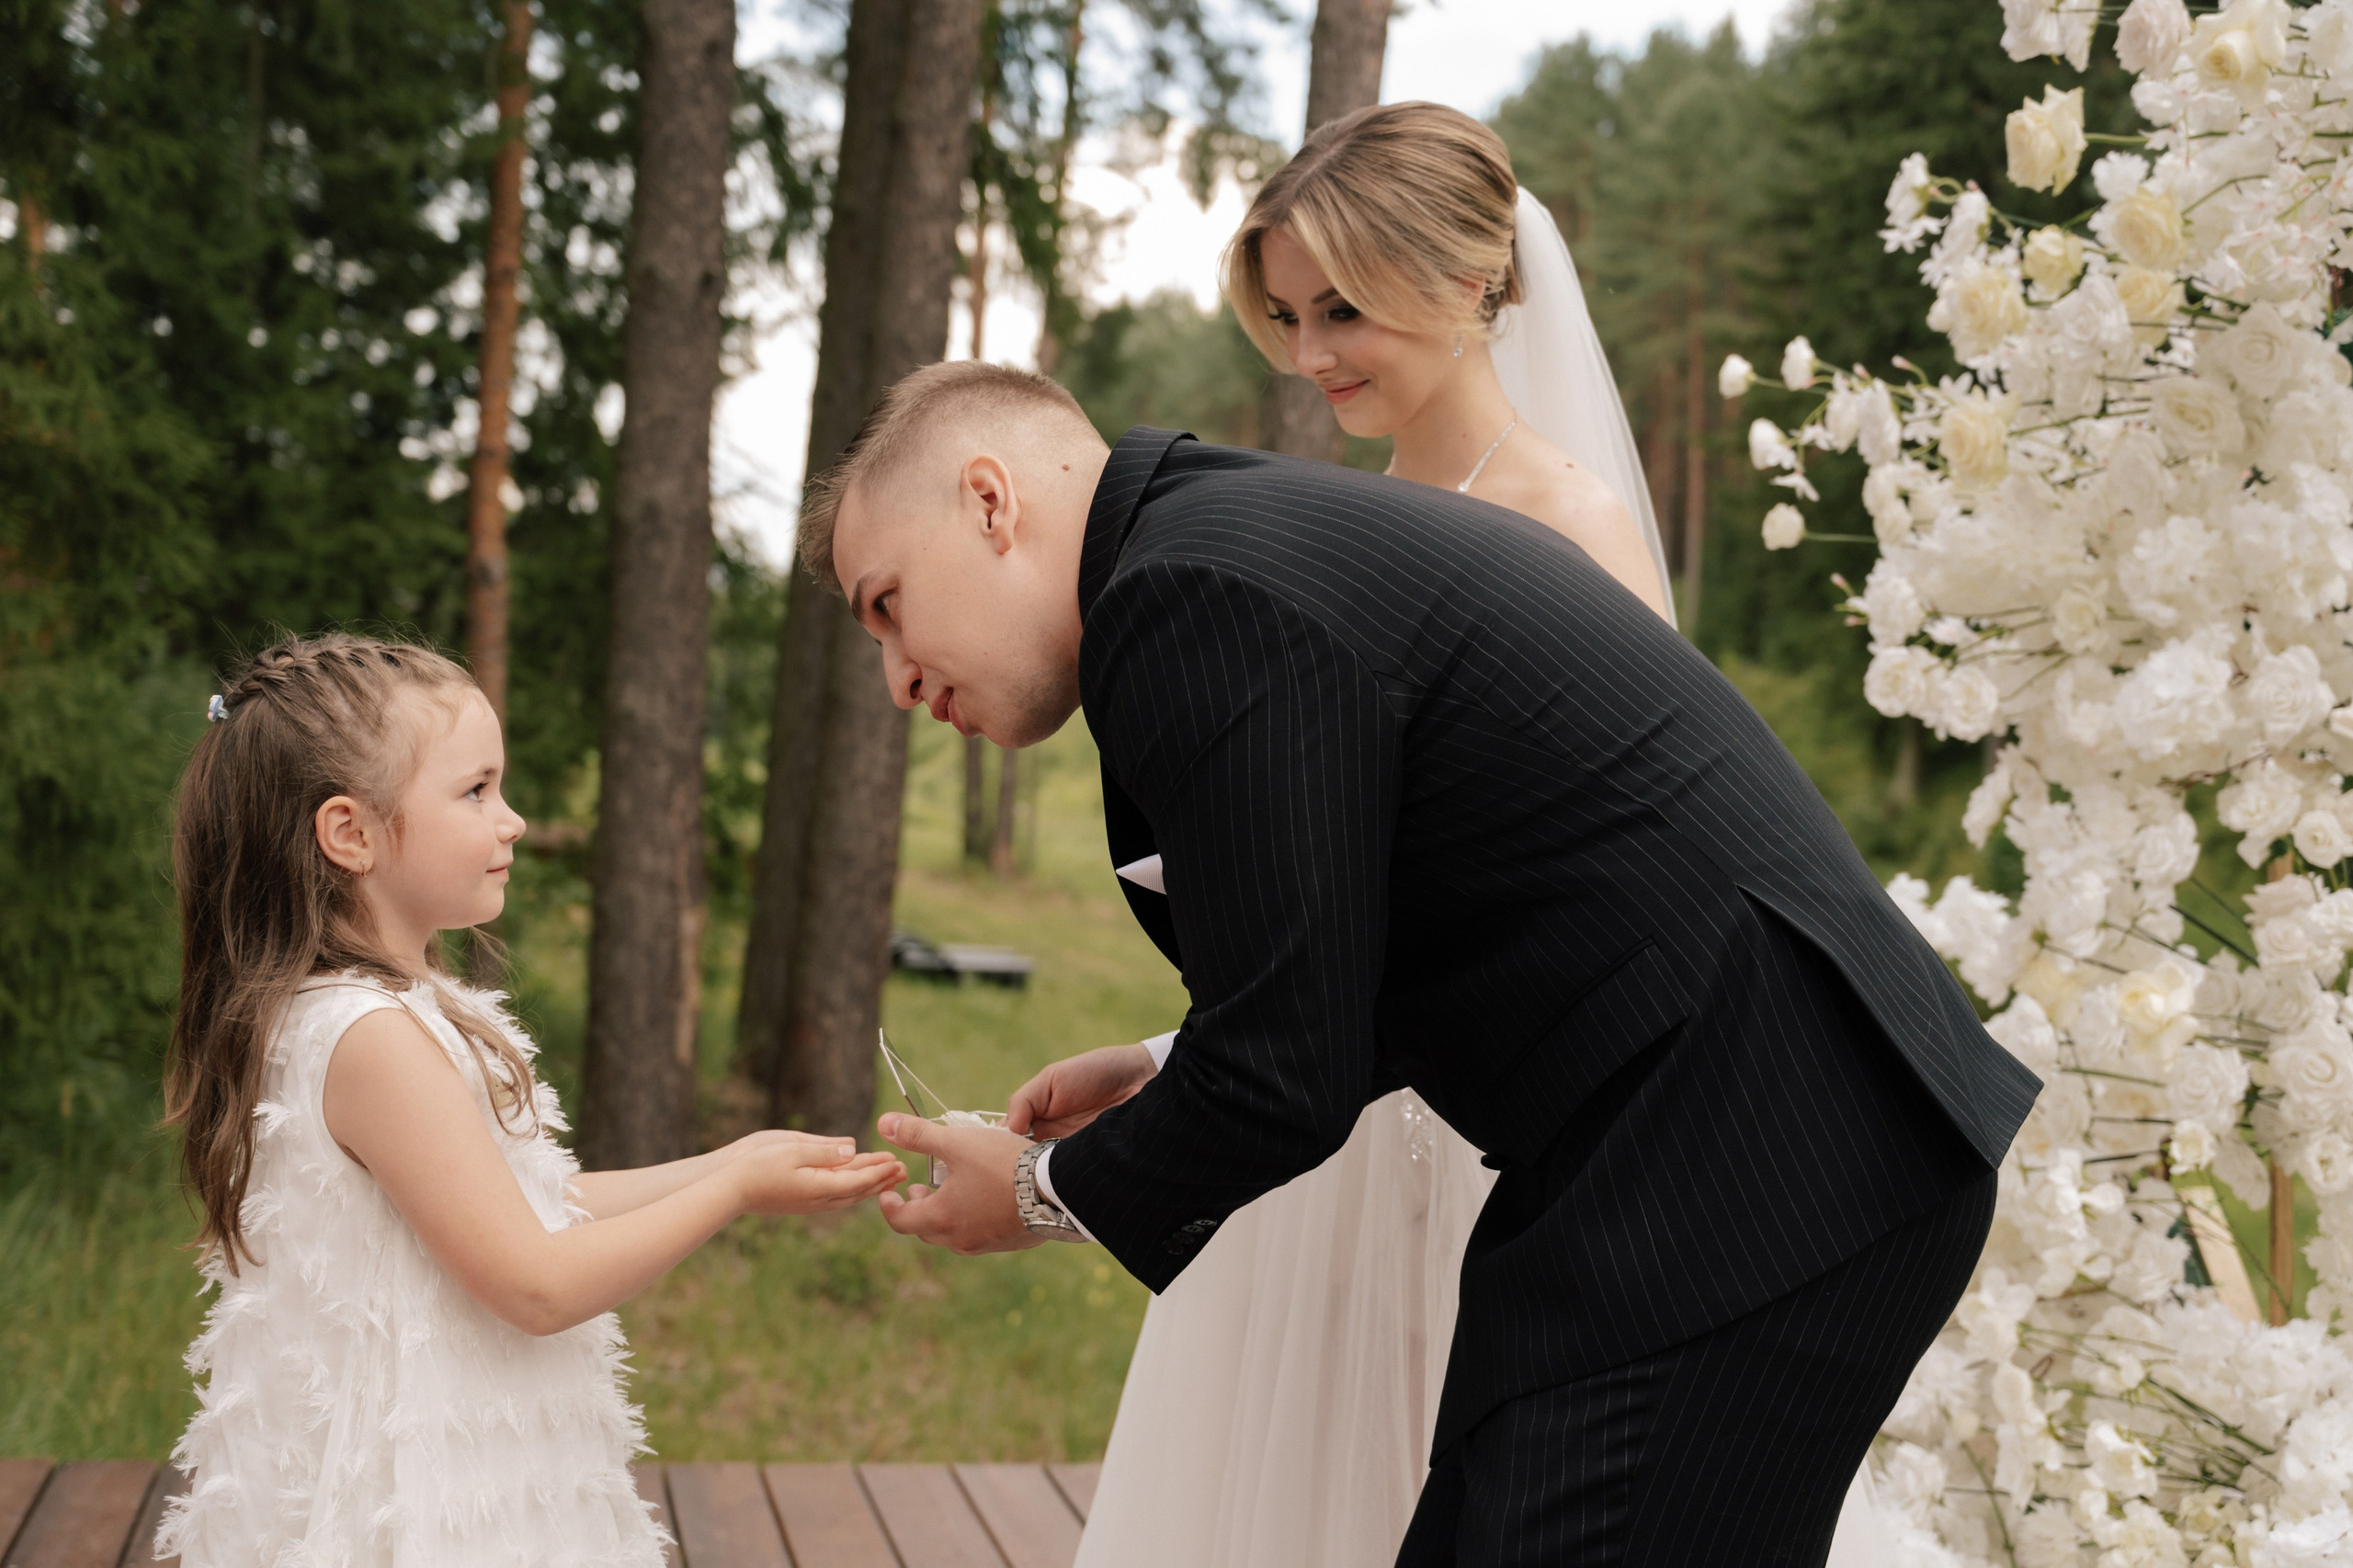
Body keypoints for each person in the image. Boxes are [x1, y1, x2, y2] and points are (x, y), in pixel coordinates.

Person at [816, 353, 2040, 1565]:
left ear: (990, 501)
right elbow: (1382, 937)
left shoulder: (1182, 592)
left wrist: (1040, 1193)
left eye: (887, 604)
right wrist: (1164, 1060)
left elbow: (1282, 1070)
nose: (897, 675)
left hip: (1756, 1151)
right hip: (1726, 1135)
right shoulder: (1224, 542)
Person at [1036, 101, 1685, 1568]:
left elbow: (1622, 873)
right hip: (1319, 1125)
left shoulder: (1570, 527)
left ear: (1468, 283)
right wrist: (1167, 1056)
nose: (1313, 352)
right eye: (1288, 313)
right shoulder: (1348, 524)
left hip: (1483, 1127)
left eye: (1345, 307)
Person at [157, 633, 904, 1568]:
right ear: (348, 833)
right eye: (475, 791)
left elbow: (523, 1203)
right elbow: (535, 1282)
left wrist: (731, 1157)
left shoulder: (378, 1008)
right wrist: (733, 1193)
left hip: (460, 1458)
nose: (510, 820)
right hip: (421, 1507)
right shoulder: (372, 1037)